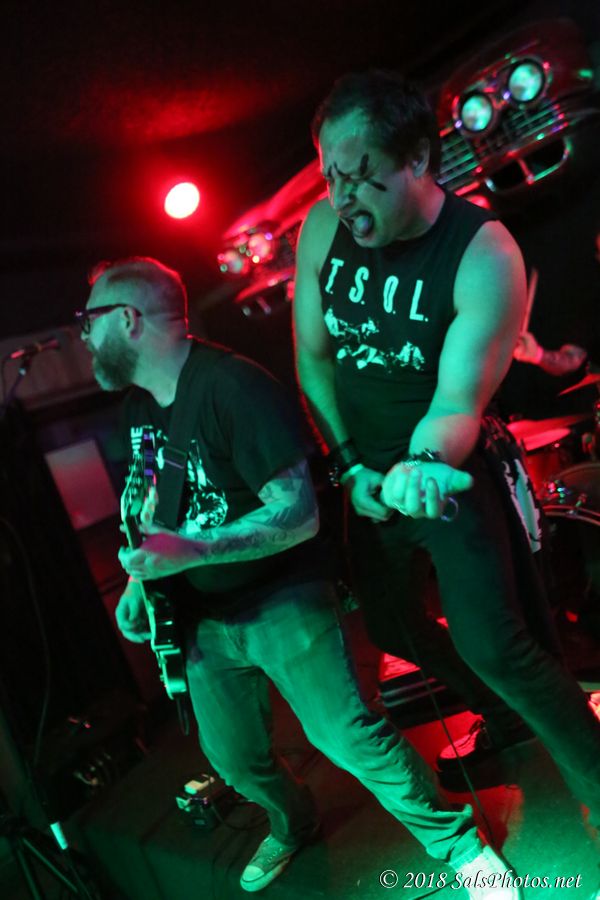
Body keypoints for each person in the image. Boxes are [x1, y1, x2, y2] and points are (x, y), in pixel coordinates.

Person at [77, 256, 522, 896]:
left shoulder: (234, 386)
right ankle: (293, 822)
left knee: (345, 734)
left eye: (89, 320)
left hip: (282, 594)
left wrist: (194, 550)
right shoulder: (138, 409)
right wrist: (140, 584)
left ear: (127, 319)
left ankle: (459, 846)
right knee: (233, 759)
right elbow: (150, 505)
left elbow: (298, 514)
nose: (83, 336)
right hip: (205, 616)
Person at [293, 70, 600, 829]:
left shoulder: (481, 252)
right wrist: (348, 466)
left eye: (360, 175)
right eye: (330, 176)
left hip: (449, 470)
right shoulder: (322, 228)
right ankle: (503, 717)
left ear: (419, 160)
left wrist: (422, 467)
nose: (342, 197)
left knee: (498, 646)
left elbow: (458, 402)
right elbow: (314, 358)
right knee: (393, 628)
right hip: (365, 473)